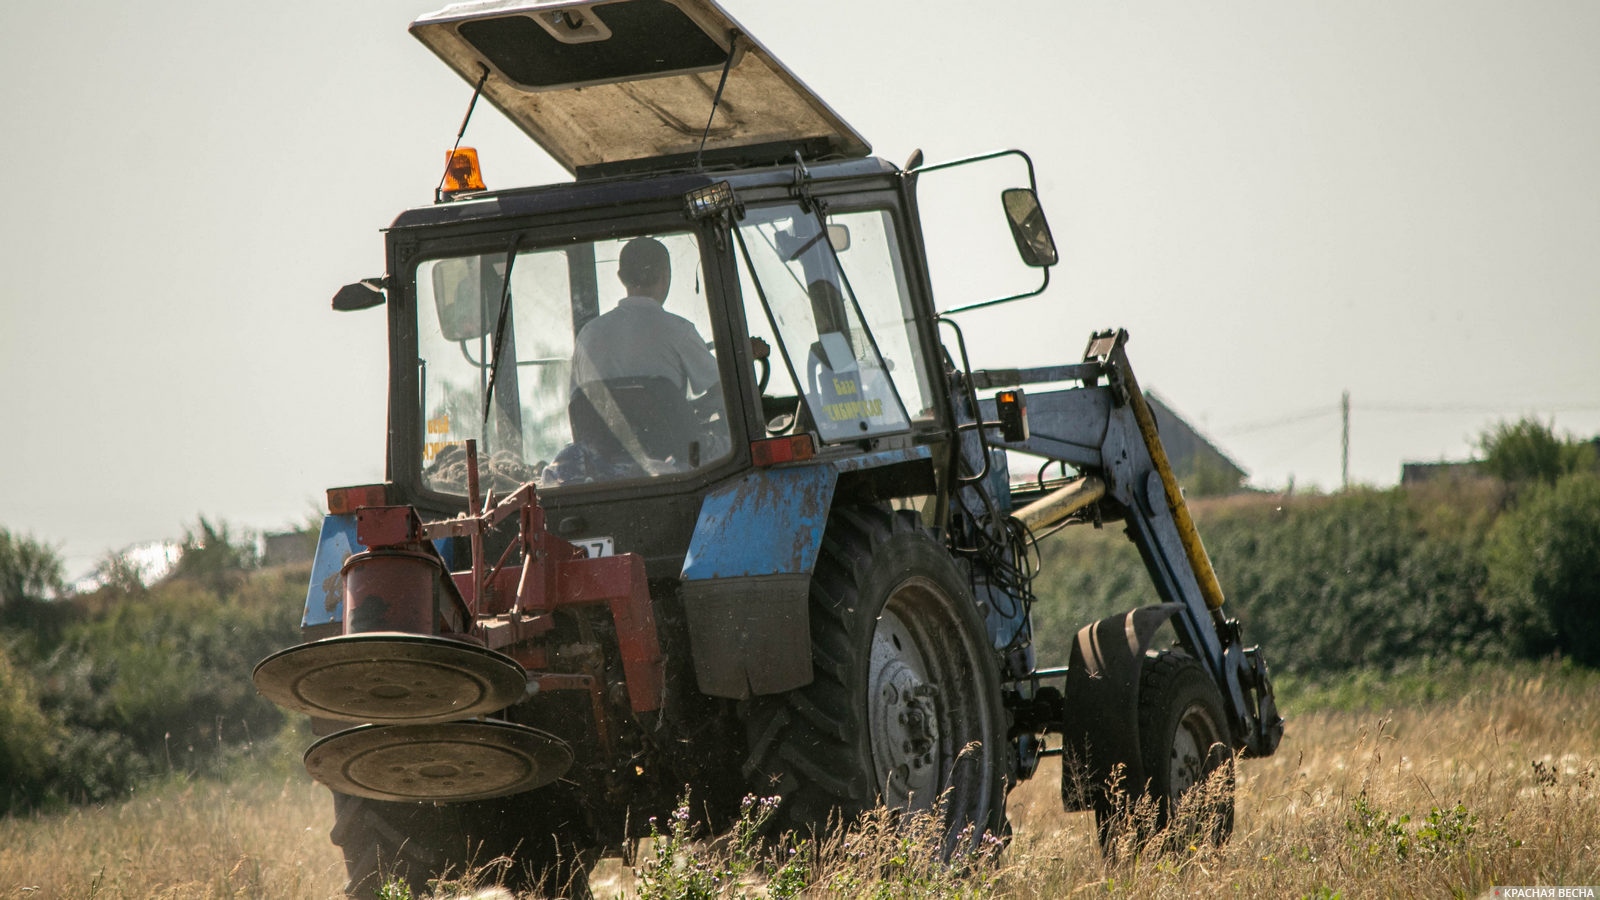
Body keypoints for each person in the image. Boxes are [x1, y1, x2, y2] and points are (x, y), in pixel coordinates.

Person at [569, 236, 720, 399]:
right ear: (665, 276)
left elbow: (577, 403)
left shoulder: (587, 335)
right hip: (666, 425)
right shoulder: (680, 331)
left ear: (621, 277)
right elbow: (723, 389)